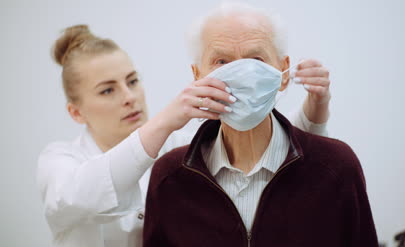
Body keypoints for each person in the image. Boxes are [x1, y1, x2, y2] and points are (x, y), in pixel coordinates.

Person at [37, 22, 332, 246]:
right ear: (75, 112)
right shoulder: (59, 161)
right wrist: (167, 119)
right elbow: (85, 194)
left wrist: (315, 103)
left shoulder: (178, 150)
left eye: (132, 81)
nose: (129, 97)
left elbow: (275, 146)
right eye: (108, 90)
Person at [143, 3, 378, 247]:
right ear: (197, 75)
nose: (242, 74)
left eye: (256, 59)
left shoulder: (336, 167)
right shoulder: (170, 178)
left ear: (283, 73)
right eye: (222, 61)